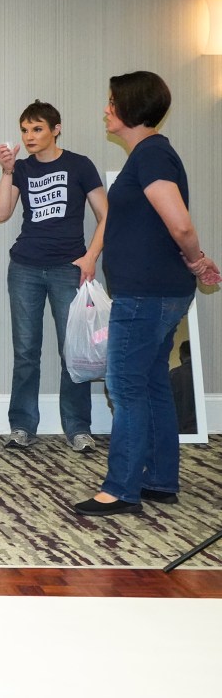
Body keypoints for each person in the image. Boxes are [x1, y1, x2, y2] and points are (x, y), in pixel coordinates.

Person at [74, 71, 220, 516]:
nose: (105, 108)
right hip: (154, 292)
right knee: (153, 382)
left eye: (111, 101)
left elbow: (179, 223)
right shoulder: (151, 154)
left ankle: (121, 488)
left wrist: (196, 259)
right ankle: (159, 479)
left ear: (130, 107)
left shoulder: (152, 155)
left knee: (125, 385)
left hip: (147, 295)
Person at [0, 101, 108, 453]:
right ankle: (22, 426)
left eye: (37, 128)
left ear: (56, 128)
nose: (29, 136)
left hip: (66, 269)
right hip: (24, 267)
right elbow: (1, 213)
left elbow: (107, 215)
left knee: (73, 350)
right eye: (25, 130)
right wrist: (7, 172)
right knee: (25, 351)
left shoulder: (79, 165)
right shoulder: (23, 169)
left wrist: (90, 257)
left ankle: (78, 428)